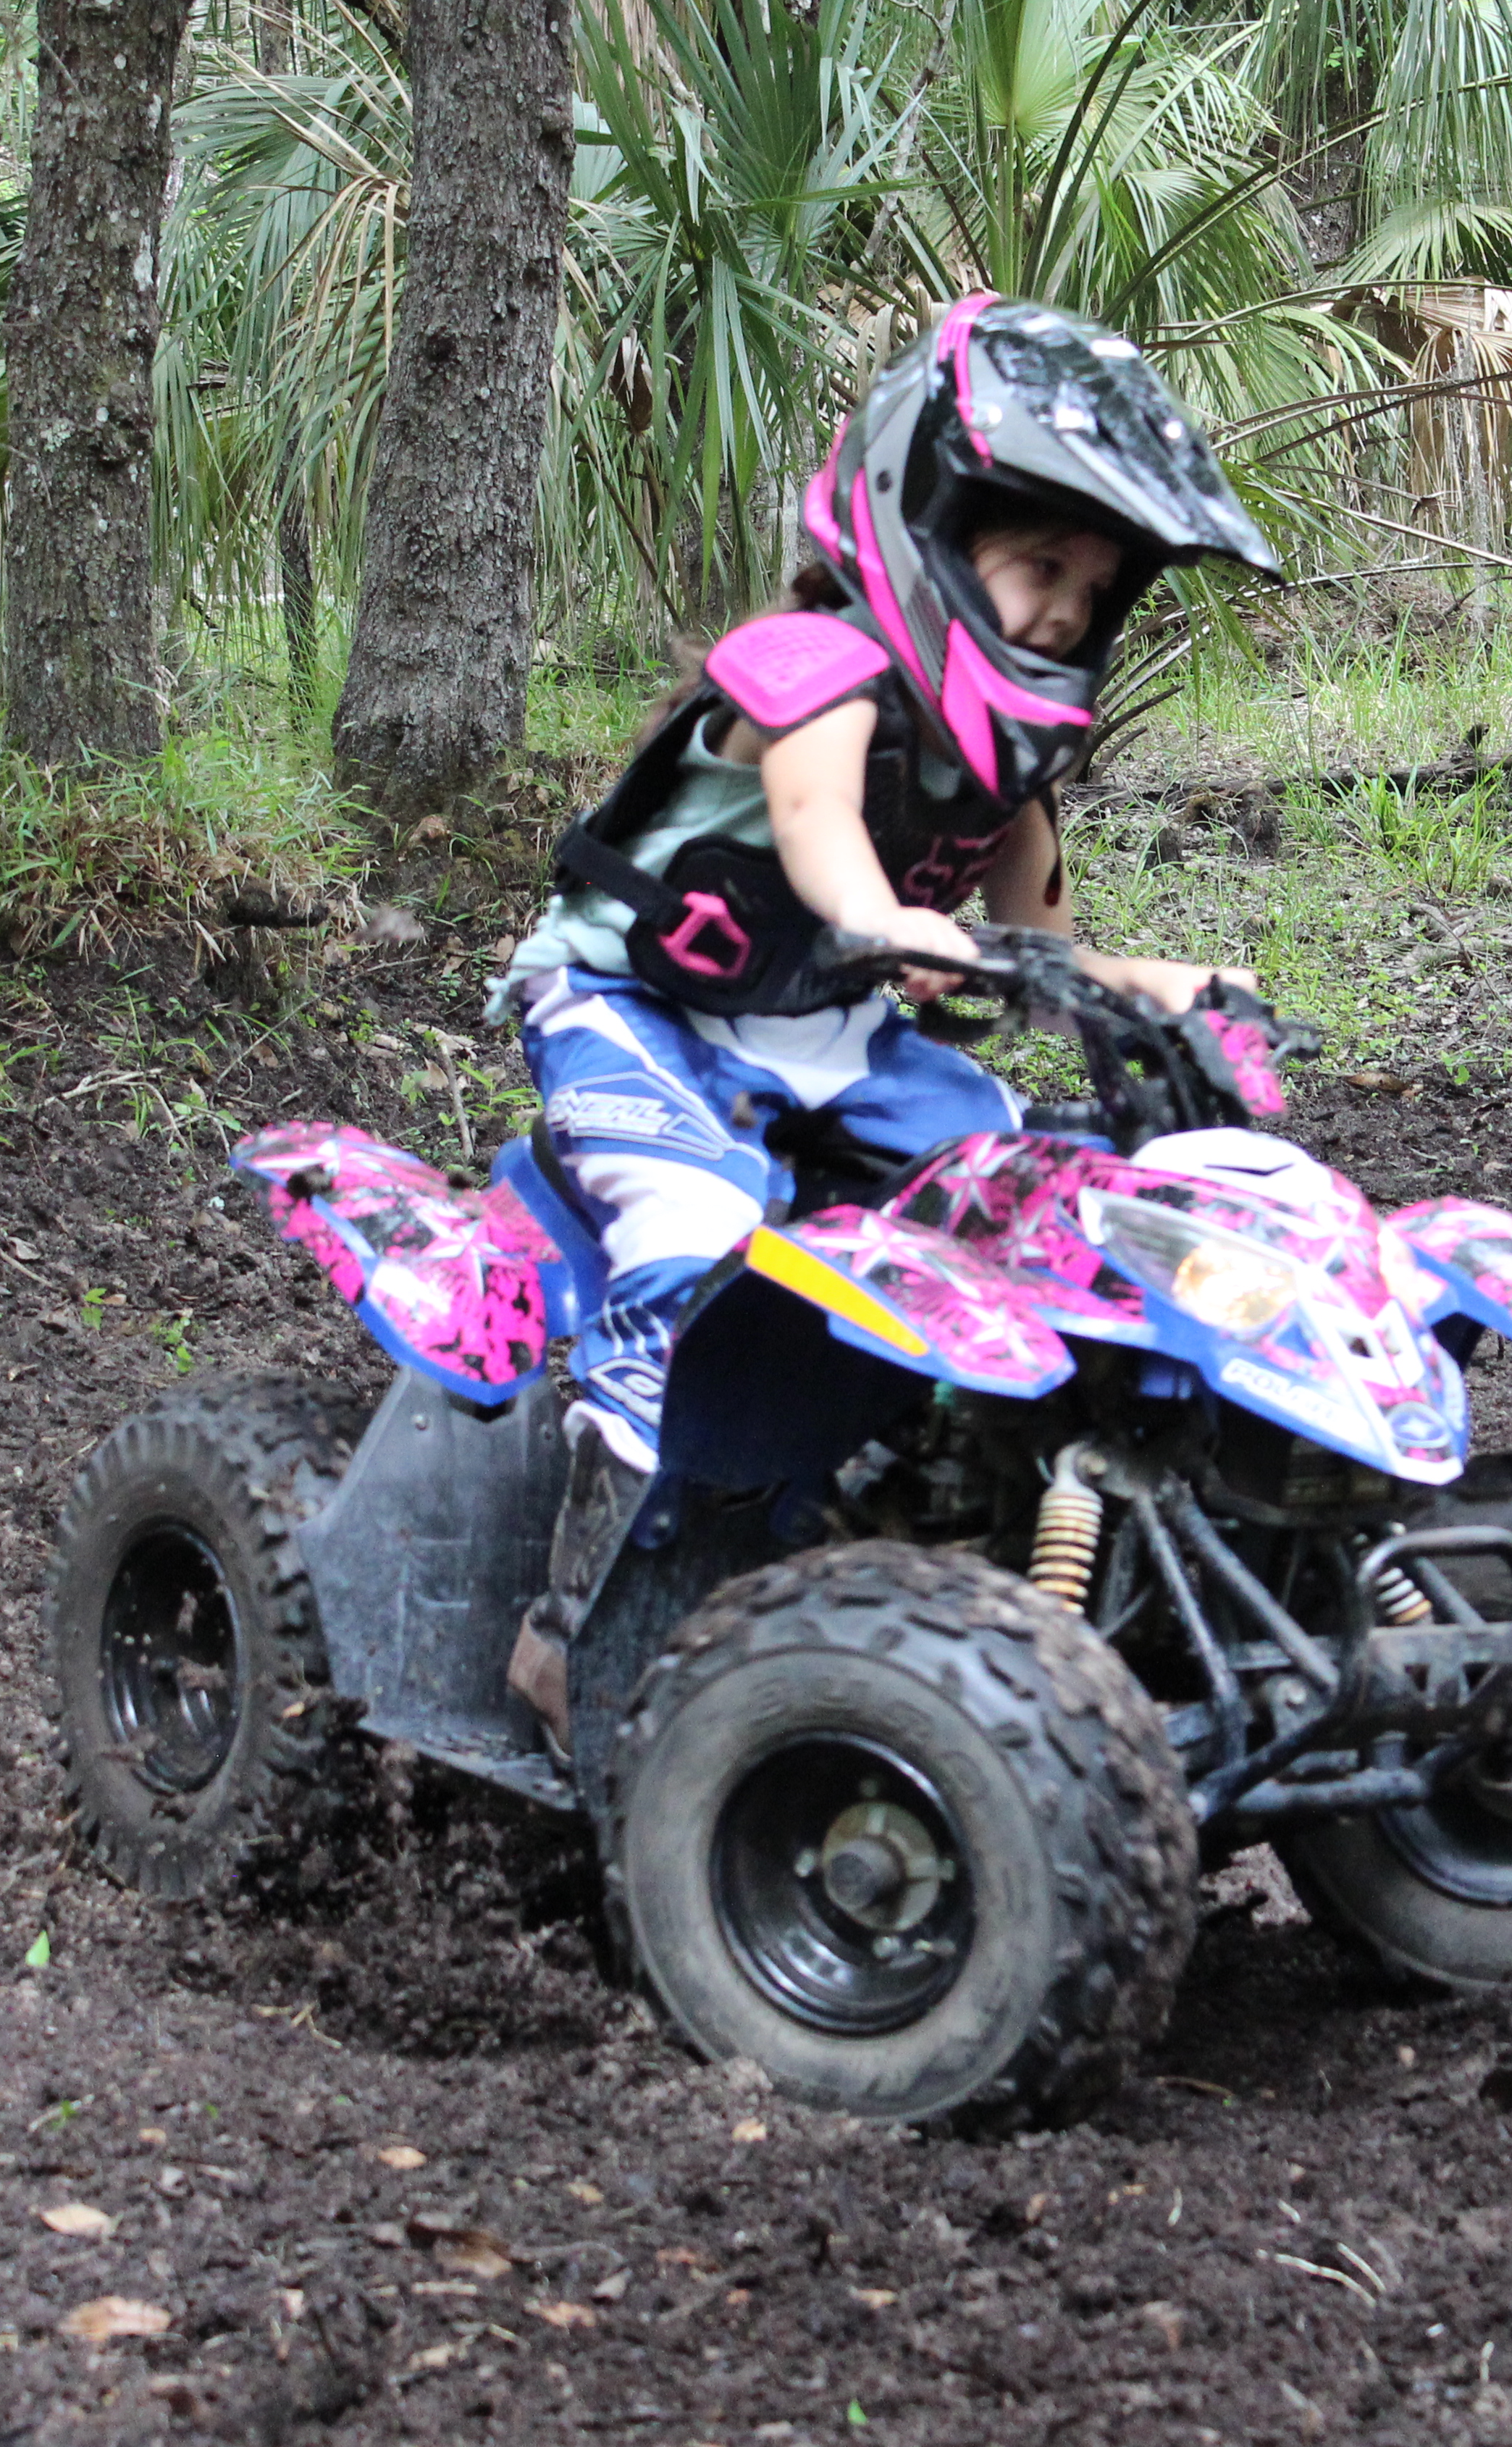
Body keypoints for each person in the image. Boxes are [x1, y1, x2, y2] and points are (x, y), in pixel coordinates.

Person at [491, 295, 1284, 1737]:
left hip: (825, 1036)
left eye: (1093, 592)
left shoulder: (1006, 768)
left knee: (1022, 1185)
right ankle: (575, 1628)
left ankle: (925, 1501)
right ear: (933, 521)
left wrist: (1164, 993)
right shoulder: (816, 674)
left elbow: (1046, 951)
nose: (1061, 612)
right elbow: (827, 857)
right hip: (636, 1012)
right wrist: (901, 927)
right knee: (685, 1240)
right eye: (1040, 564)